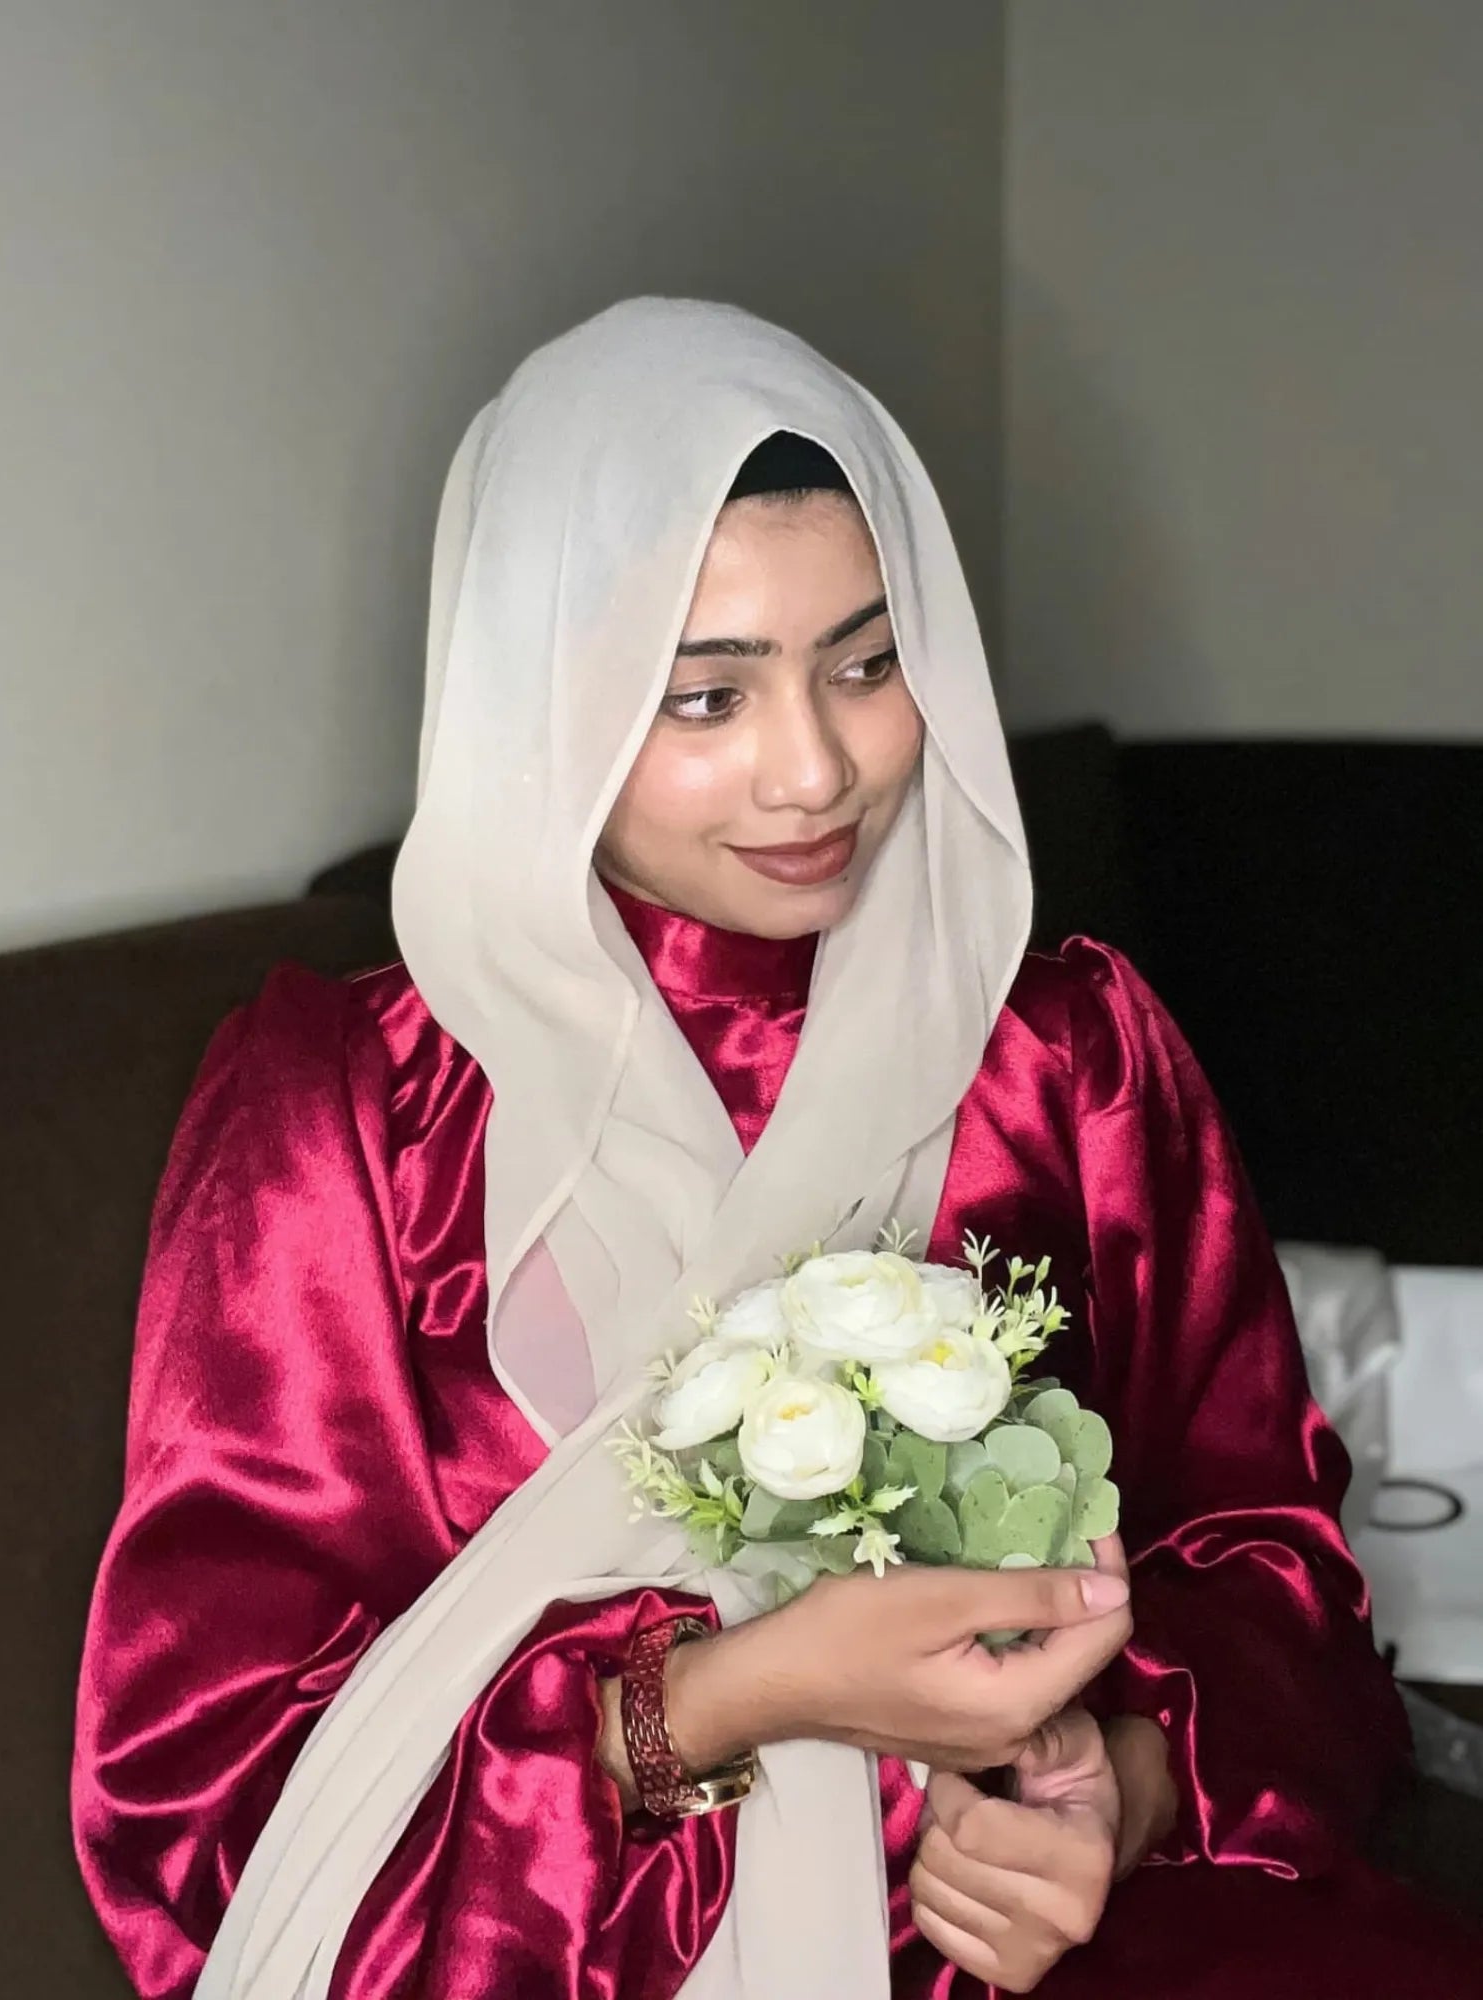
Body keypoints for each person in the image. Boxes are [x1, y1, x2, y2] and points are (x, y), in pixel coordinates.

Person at [72, 300, 1482, 1999]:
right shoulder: (348, 1113)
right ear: (551, 708)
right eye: (704, 697)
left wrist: (1119, 1786)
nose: (814, 771)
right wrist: (749, 1693)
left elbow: (1272, 1571)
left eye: (868, 664)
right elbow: (207, 1800)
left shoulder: (1066, 1053)